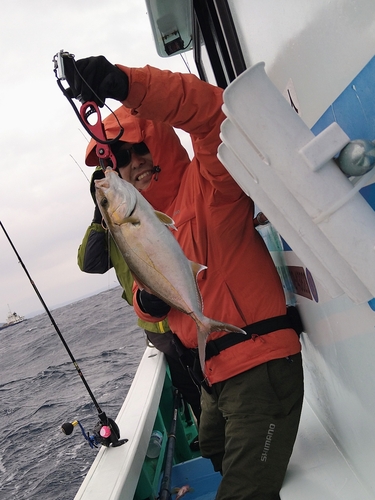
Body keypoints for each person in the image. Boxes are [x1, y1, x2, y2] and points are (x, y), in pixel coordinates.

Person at [67, 56, 304, 500]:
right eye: (120, 156)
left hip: (261, 363)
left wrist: (126, 83)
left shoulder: (211, 184)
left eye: (141, 148)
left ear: (160, 145)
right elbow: (142, 287)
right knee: (210, 445)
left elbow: (213, 114)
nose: (133, 161)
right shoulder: (140, 221)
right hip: (214, 371)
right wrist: (148, 303)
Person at [77, 167, 202, 425]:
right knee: (186, 381)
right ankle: (206, 425)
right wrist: (99, 214)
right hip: (156, 323)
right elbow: (90, 263)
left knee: (206, 372)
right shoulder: (110, 231)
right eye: (99, 192)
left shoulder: (144, 208)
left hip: (186, 309)